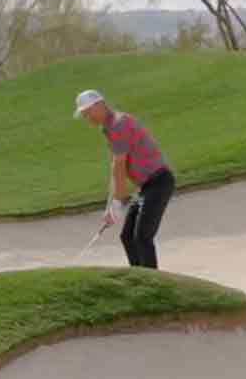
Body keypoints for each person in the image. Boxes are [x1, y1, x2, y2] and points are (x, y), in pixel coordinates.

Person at [74, 89, 175, 269]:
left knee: (142, 237)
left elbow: (119, 166)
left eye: (88, 112)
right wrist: (110, 207)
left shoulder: (119, 124)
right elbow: (115, 169)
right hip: (146, 187)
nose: (87, 117)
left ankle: (151, 283)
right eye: (84, 114)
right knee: (127, 236)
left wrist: (118, 202)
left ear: (100, 105)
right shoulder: (109, 128)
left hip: (159, 181)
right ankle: (138, 277)